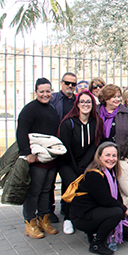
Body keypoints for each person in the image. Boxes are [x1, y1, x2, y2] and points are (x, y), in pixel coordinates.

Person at [70, 142, 128, 255]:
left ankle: (94, 233)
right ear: (99, 156)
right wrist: (123, 208)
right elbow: (105, 200)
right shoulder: (94, 175)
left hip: (94, 211)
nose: (111, 159)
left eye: (114, 156)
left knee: (125, 229)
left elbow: (115, 197)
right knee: (117, 212)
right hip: (82, 216)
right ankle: (97, 244)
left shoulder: (110, 173)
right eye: (107, 155)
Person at [17, 78, 61, 239]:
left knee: (46, 190)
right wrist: (26, 153)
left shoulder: (51, 109)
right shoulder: (29, 109)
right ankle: (30, 223)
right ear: (36, 92)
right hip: (36, 158)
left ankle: (44, 219)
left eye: (48, 91)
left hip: (50, 157)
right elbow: (21, 131)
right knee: (34, 191)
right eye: (41, 91)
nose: (45, 94)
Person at [58, 90, 103, 235]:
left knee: (87, 185)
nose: (85, 104)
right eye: (82, 101)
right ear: (77, 104)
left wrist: (84, 166)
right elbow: (66, 149)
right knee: (71, 185)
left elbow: (95, 145)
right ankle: (68, 218)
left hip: (87, 162)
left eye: (88, 102)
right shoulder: (68, 123)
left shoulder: (97, 122)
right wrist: (76, 168)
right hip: (67, 162)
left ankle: (83, 215)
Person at [48, 72, 77, 223]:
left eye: (73, 84)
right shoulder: (53, 99)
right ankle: (48, 211)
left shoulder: (78, 101)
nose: (70, 86)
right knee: (49, 180)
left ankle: (67, 208)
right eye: (67, 83)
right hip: (54, 145)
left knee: (69, 178)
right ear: (61, 83)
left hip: (72, 146)